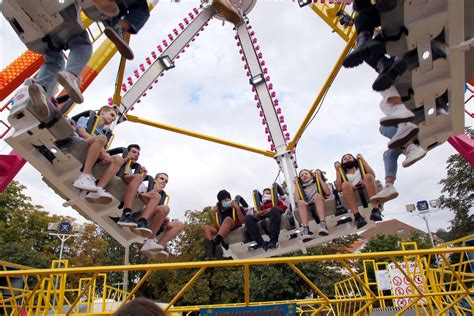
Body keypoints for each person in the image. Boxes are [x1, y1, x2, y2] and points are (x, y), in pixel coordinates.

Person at [370, 86, 427, 204]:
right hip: (412, 123)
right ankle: (389, 186)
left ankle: (410, 146)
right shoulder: (389, 102)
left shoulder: (394, 96)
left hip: (421, 114)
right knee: (388, 154)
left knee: (384, 127)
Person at [72, 106, 128, 203]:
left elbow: (100, 147)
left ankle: (97, 190)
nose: (113, 119)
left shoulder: (103, 133)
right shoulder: (86, 119)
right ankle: (85, 176)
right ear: (102, 112)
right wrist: (102, 148)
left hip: (93, 153)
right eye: (112, 115)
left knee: (118, 159)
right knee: (102, 138)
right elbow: (81, 132)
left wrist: (105, 156)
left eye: (114, 118)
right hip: (80, 143)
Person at [335, 154, 382, 228]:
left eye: (350, 157)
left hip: (367, 190)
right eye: (345, 159)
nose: (347, 159)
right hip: (352, 194)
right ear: (342, 164)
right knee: (345, 184)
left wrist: (362, 159)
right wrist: (337, 170)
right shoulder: (345, 176)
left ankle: (375, 210)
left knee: (368, 176)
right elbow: (338, 188)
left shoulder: (361, 171)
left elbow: (373, 175)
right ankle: (357, 216)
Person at [201, 190, 245, 259]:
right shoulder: (220, 211)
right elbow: (216, 228)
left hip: (234, 224)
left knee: (228, 219)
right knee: (204, 227)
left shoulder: (237, 207)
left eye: (228, 198)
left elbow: (243, 221)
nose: (227, 199)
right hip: (222, 229)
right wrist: (215, 214)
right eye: (224, 199)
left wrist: (237, 208)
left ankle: (215, 243)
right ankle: (212, 249)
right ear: (221, 201)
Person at [294, 169, 330, 239]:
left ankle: (323, 224)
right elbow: (296, 200)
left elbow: (327, 192)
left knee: (317, 197)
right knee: (300, 202)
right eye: (301, 176)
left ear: (311, 176)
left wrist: (319, 177)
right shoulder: (302, 189)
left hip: (320, 202)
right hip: (309, 206)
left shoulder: (317, 183)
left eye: (306, 174)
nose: (304, 176)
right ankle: (306, 229)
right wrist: (296, 185)